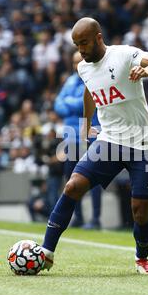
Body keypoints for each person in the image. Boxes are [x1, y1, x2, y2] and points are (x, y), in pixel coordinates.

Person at [40, 17, 148, 274]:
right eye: (77, 45)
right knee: (72, 186)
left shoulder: (123, 54)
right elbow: (89, 90)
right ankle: (46, 251)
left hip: (146, 143)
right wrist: (85, 125)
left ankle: (141, 258)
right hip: (110, 139)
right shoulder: (83, 67)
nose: (81, 50)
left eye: (84, 43)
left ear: (99, 37)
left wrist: (147, 71)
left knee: (140, 212)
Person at [54, 51, 102, 229]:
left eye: (79, 61)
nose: (77, 65)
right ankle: (79, 217)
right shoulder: (71, 81)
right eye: (74, 62)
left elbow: (86, 104)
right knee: (71, 178)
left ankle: (96, 219)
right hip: (71, 137)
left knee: (94, 177)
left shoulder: (95, 78)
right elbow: (57, 104)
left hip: (91, 134)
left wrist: (68, 103)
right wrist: (72, 104)